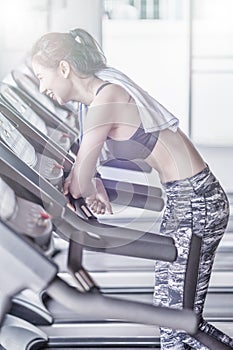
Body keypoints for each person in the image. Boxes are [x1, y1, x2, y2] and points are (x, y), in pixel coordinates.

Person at [30, 28, 232, 349]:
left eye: (43, 76)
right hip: (188, 198)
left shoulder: (105, 99)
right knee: (178, 321)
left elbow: (80, 180)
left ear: (65, 69)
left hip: (196, 201)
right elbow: (94, 161)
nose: (43, 87)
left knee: (178, 326)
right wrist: (89, 182)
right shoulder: (101, 91)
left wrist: (78, 185)